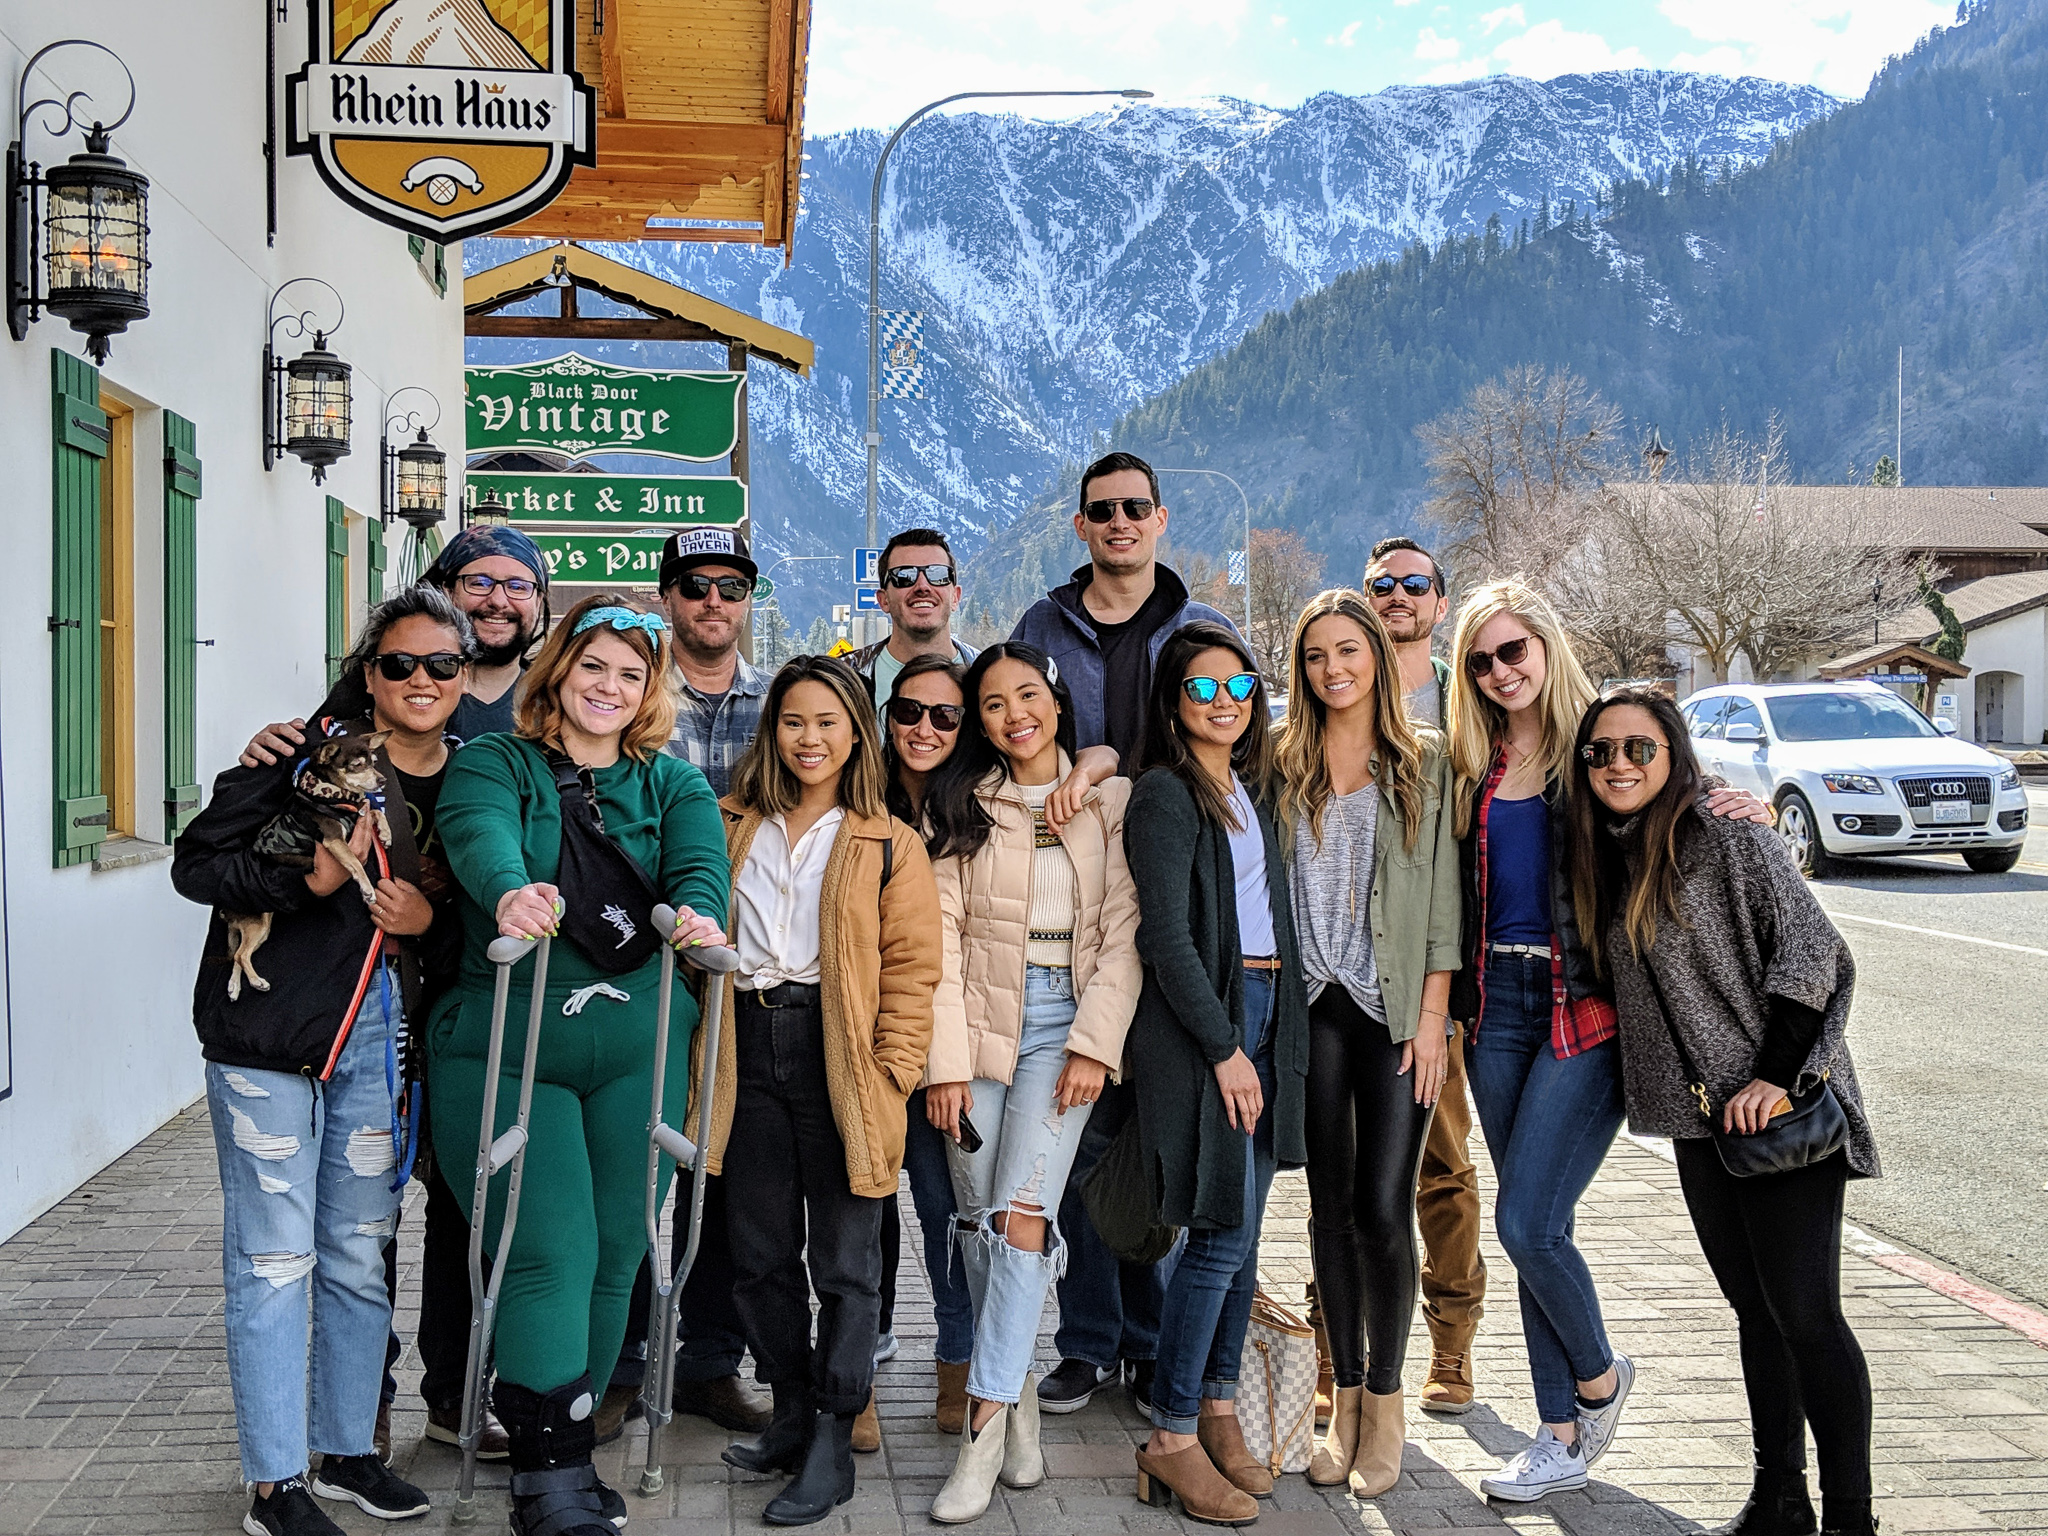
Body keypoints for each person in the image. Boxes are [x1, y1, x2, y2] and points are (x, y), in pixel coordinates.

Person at [1444, 581, 1767, 1502]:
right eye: (1481, 660)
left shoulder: (1598, 744)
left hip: (1581, 1006)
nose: (1501, 671)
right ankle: (1557, 1438)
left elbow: (1663, 793)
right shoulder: (1477, 761)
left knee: (1526, 1222)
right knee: (1534, 1227)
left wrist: (1730, 807)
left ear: (1544, 646)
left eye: (1514, 651)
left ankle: (1599, 1380)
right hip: (1493, 1009)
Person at [172, 588, 478, 1536]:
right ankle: (274, 1483)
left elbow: (494, 903)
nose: (420, 680)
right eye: (400, 663)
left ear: (465, 679)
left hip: (382, 1045)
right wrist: (297, 884)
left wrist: (433, 922)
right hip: (269, 1040)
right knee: (273, 1261)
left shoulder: (477, 778)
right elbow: (196, 864)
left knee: (356, 1255)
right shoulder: (298, 757)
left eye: (440, 665)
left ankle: (346, 1450)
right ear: (370, 670)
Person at [430, 592, 731, 1536]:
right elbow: (478, 836)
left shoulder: (670, 783)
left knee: (617, 1249)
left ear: (649, 689)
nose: (609, 686)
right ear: (558, 667)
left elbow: (698, 868)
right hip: (509, 1043)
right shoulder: (494, 762)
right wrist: (512, 892)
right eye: (592, 665)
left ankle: (566, 1439)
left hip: (637, 1044)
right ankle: (546, 1478)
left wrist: (697, 915)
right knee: (547, 1246)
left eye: (630, 674)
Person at [1569, 689, 1879, 1536]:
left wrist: (1774, 1078)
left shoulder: (1731, 833)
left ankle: (1852, 1518)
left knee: (1807, 1315)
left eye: (1638, 749)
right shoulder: (1611, 848)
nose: (1619, 766)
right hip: (1703, 1118)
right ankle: (1780, 1497)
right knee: (1756, 1311)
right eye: (1600, 754)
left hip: (1780, 1111)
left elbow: (1816, 952)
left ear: (1674, 753)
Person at [1011, 449, 1240, 1415]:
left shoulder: (1202, 628)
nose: (1118, 523)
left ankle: (1151, 1342)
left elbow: (1233, 739)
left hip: (1178, 905)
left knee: (1157, 1131)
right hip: (1072, 911)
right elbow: (1010, 737)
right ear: (1080, 526)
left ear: (1160, 518)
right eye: (1101, 510)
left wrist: (1110, 757)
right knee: (1080, 1130)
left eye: (1134, 508)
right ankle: (1088, 1340)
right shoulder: (1041, 627)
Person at [692, 655, 941, 1526]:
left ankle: (835, 1433)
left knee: (845, 1260)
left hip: (841, 1055)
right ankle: (791, 1411)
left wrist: (892, 1071)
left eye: (829, 723)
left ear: (856, 735)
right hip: (746, 1044)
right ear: (773, 730)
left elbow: (913, 972)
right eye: (795, 721)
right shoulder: (727, 823)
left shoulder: (884, 840)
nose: (810, 738)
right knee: (758, 1255)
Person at [921, 643, 1143, 1524]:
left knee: (1020, 1218)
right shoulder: (960, 804)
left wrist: (1096, 1042)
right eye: (993, 704)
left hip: (1064, 1023)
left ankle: (978, 1430)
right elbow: (938, 943)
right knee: (976, 1222)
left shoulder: (1107, 799)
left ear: (1056, 700)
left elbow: (1125, 934)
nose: (1014, 714)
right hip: (974, 1029)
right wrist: (944, 1064)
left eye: (1028, 695)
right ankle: (1014, 1407)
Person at [1275, 591, 1460, 1498]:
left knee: (1386, 1209)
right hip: (1310, 1008)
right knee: (1328, 1211)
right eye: (1315, 656)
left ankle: (1386, 1404)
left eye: (1348, 651)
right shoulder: (1282, 761)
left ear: (1377, 660)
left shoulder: (1422, 762)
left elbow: (1445, 907)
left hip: (1394, 1015)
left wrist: (1433, 1019)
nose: (1332, 669)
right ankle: (1341, 1397)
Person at [1124, 622, 1308, 1527]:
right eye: (1204, 689)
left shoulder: (1251, 787)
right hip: (1217, 1025)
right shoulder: (1165, 794)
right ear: (1174, 701)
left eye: (1240, 686)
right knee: (1218, 1235)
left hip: (1274, 1014)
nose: (1225, 702)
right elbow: (1165, 937)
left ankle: (1221, 1407)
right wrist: (1226, 1048)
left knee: (1243, 1234)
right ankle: (1169, 1435)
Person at [638, 523, 776, 1437]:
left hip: (746, 969)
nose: (713, 602)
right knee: (635, 1164)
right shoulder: (633, 696)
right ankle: (615, 1364)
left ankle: (710, 1362)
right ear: (668, 597)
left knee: (721, 1173)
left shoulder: (780, 703)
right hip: (643, 959)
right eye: (696, 585)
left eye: (730, 586)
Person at [1361, 536, 1484, 1417]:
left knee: (1441, 1165)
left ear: (1440, 603)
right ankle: (1337, 1345)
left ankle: (1452, 1349)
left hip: (1448, 973)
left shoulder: (1469, 700)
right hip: (1354, 978)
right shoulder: (1340, 695)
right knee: (1351, 1172)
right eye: (1382, 586)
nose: (1398, 596)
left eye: (1414, 585)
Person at [879, 655, 979, 1438]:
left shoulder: (978, 810)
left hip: (944, 1047)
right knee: (861, 1213)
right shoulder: (860, 800)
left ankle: (958, 1362)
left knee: (946, 1210)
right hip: (866, 1039)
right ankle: (857, 1367)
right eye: (911, 712)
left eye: (945, 716)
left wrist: (948, 1061)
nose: (925, 729)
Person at [848, 527, 980, 708]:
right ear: (883, 600)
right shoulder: (845, 679)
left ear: (955, 597)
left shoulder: (985, 674)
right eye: (904, 576)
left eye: (938, 575)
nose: (923, 586)